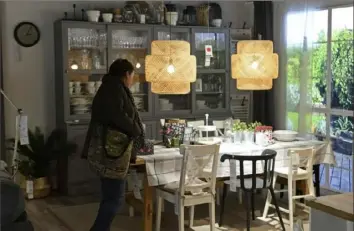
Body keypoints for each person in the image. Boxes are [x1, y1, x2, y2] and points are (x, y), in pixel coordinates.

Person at [81, 59, 145, 231]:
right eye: (132, 75)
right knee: (115, 199)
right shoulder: (114, 90)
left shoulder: (109, 87)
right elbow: (118, 117)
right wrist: (136, 129)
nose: (133, 79)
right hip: (112, 153)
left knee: (109, 196)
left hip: (109, 151)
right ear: (126, 75)